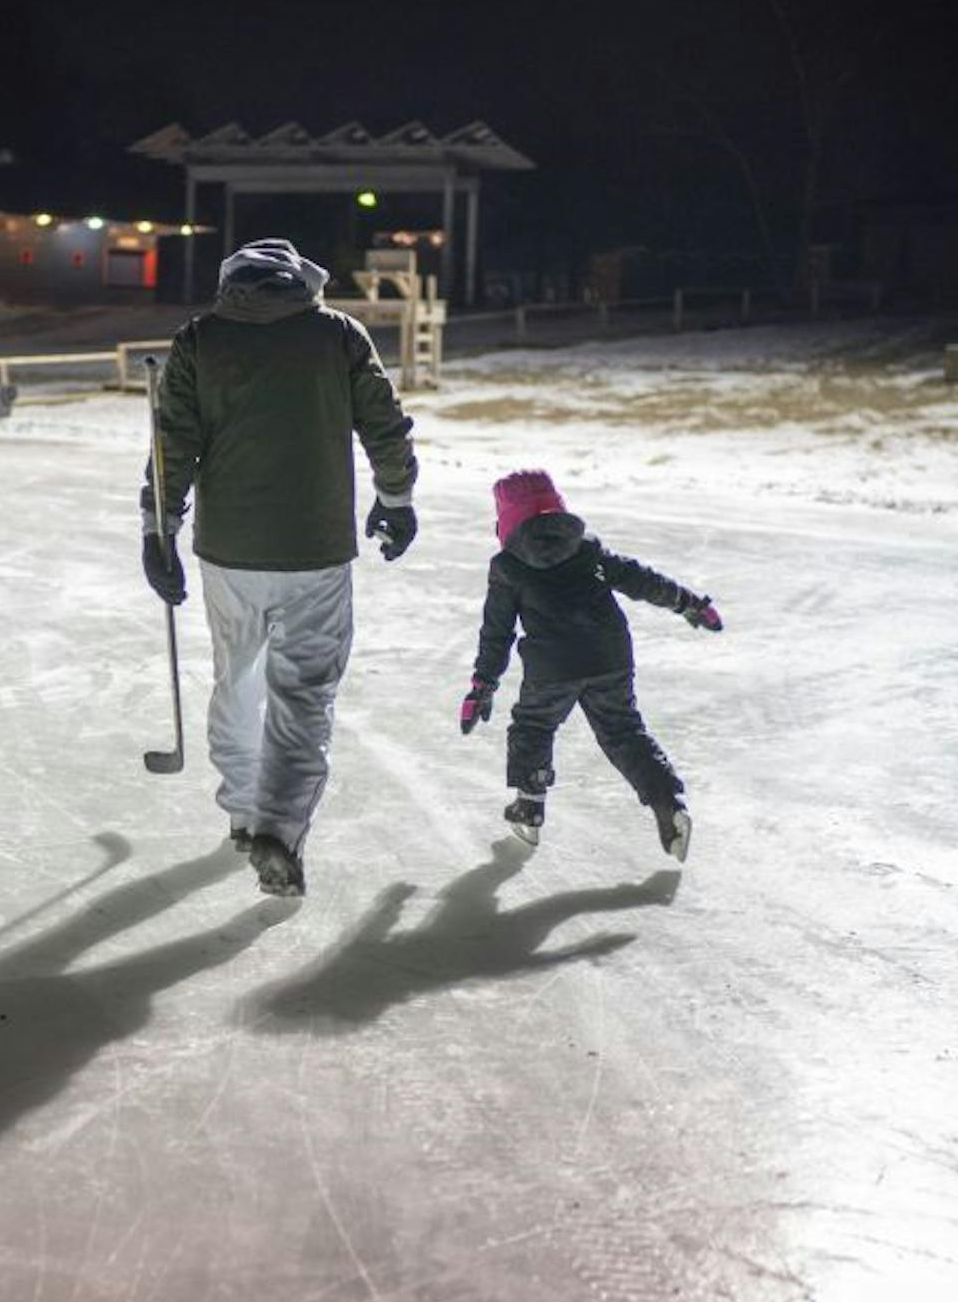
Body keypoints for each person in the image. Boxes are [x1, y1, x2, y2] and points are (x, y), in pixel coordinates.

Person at [140, 239, 419, 897]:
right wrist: (397, 498)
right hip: (315, 551)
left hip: (229, 552)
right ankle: (278, 829)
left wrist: (160, 530)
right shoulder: (337, 335)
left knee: (237, 677)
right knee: (303, 696)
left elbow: (172, 441)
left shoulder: (200, 340)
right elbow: (385, 424)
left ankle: (242, 808)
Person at [457, 469, 722, 859]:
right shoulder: (587, 549)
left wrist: (483, 684)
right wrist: (688, 603)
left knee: (534, 724)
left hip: (552, 666)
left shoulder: (508, 566)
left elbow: (497, 633)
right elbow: (641, 579)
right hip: (609, 656)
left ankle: (529, 808)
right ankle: (669, 806)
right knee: (624, 732)